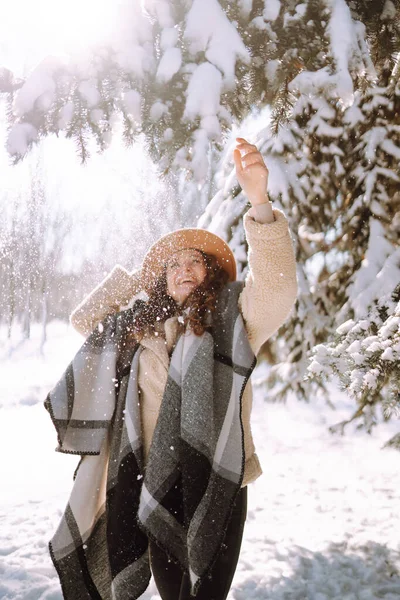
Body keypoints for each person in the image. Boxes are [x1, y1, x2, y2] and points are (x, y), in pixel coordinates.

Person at [45, 138, 297, 600]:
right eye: (173, 265)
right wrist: (133, 284)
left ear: (210, 272)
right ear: (161, 280)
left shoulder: (233, 320)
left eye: (194, 262)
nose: (184, 269)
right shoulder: (138, 331)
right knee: (170, 591)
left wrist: (259, 201)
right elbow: (83, 320)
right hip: (154, 485)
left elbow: (278, 292)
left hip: (219, 479)